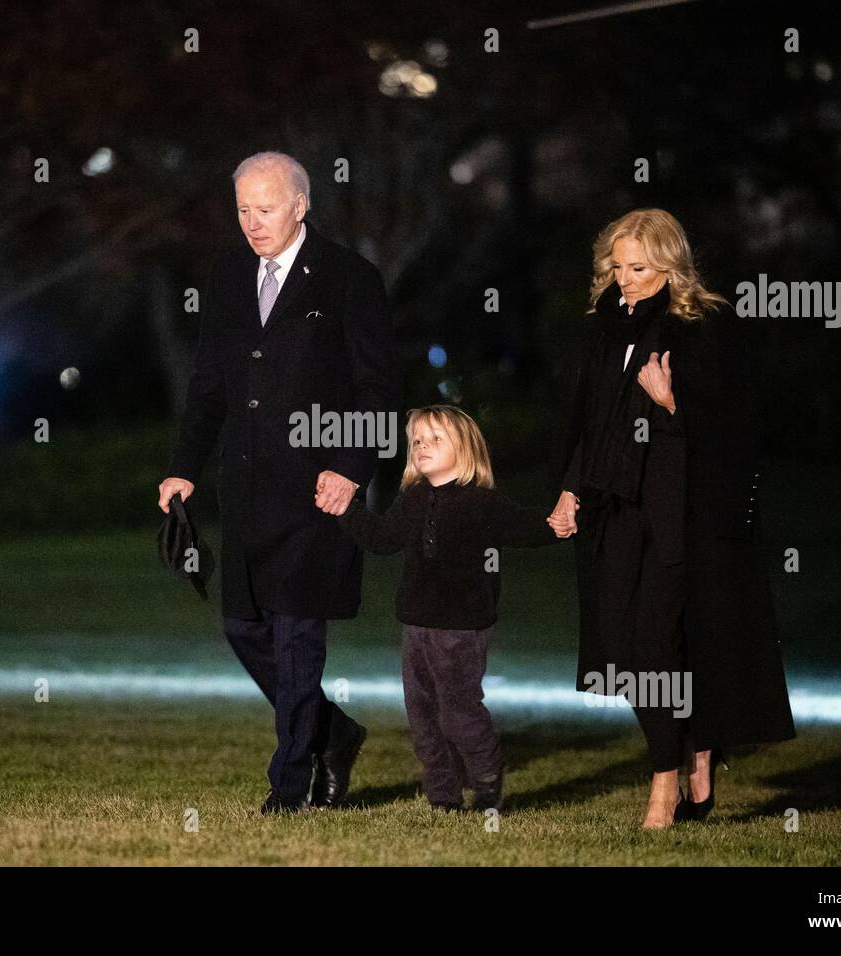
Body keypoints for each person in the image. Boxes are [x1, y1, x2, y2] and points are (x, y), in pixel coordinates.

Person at [158, 151, 400, 814]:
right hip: (245, 490)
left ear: (300, 205)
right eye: (242, 209)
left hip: (319, 492)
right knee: (243, 629)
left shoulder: (350, 279)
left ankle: (288, 787)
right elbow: (208, 385)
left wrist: (353, 470)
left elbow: (380, 391)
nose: (252, 222)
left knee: (298, 639)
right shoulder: (230, 274)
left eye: (265, 208)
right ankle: (336, 732)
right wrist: (183, 467)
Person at [548, 208, 796, 829]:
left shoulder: (704, 326)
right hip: (614, 509)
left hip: (679, 515)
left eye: (638, 267)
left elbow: (737, 429)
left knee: (658, 646)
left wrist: (672, 401)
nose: (624, 278)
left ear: (669, 266)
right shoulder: (602, 327)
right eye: (617, 265)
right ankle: (692, 750)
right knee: (622, 650)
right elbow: (588, 424)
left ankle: (668, 779)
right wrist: (569, 491)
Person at [338, 405, 558, 813]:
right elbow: (381, 538)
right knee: (423, 719)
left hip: (462, 628)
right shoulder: (412, 500)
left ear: (466, 448)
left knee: (457, 712)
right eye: (417, 440)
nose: (423, 446)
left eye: (436, 439)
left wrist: (559, 522)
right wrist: (346, 510)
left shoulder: (482, 503)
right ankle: (443, 797)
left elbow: (527, 528)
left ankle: (487, 777)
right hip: (416, 626)